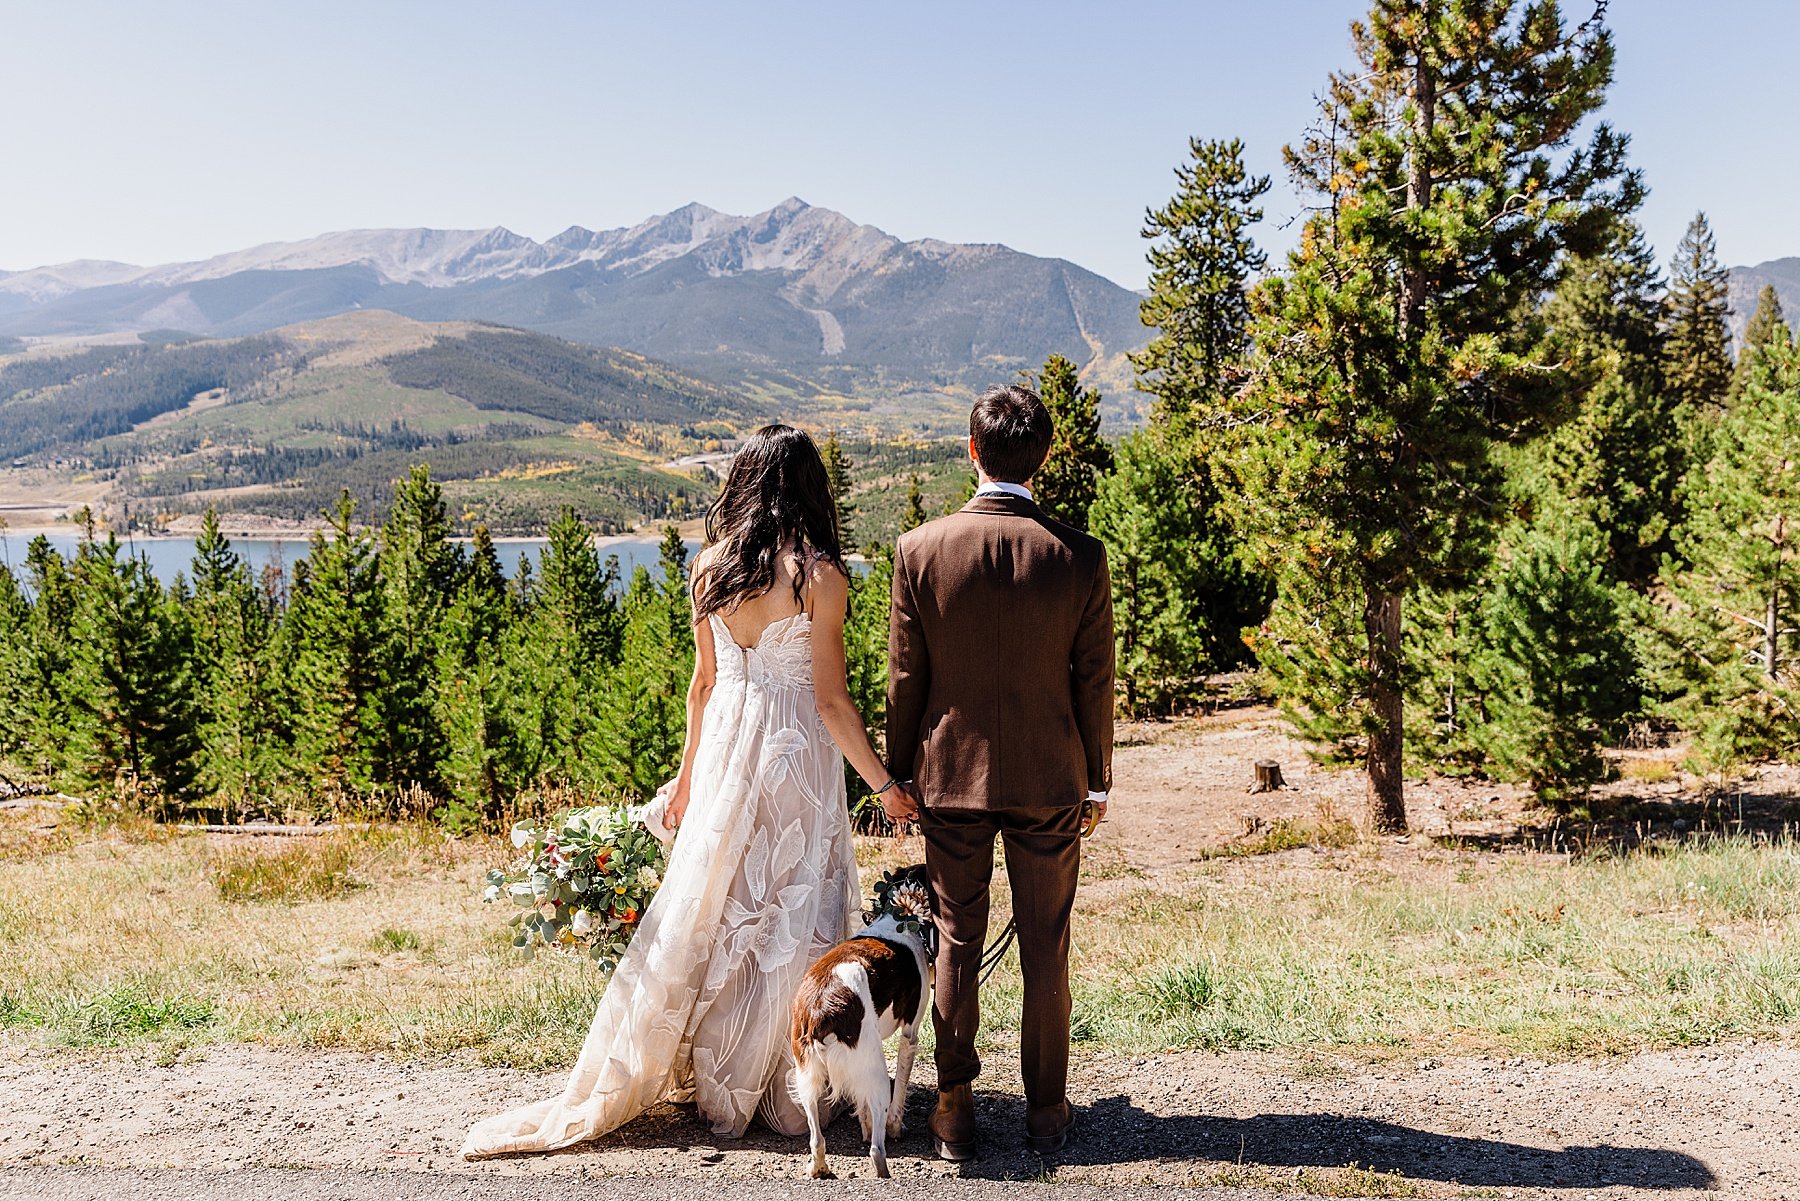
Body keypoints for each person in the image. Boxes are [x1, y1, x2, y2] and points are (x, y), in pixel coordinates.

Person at [462, 424, 914, 1158]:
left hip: (731, 755)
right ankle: (781, 1082)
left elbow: (702, 687)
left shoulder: (710, 567)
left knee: (720, 907)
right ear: (809, 488)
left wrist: (687, 777)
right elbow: (831, 702)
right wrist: (886, 784)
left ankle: (719, 1073)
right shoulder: (819, 576)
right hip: (795, 759)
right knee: (788, 913)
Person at [883, 382, 1115, 1160]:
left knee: (954, 939)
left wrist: (896, 776)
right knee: (1047, 943)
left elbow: (904, 681)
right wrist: (1098, 780)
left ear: (971, 449)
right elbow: (1095, 680)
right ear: (1043, 457)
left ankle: (953, 1108)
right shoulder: (1079, 555)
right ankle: (1047, 1113)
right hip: (1051, 779)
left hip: (948, 780)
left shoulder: (920, 550)